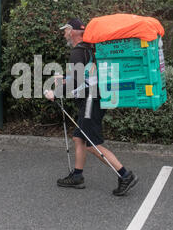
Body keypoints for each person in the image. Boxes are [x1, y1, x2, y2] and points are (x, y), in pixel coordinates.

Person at [45, 18, 138, 196]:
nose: (64, 34)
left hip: (90, 100)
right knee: (78, 138)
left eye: (65, 30)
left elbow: (78, 80)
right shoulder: (90, 49)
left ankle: (125, 175)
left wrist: (55, 93)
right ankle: (77, 176)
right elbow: (83, 75)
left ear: (73, 32)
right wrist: (65, 78)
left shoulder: (78, 52)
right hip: (94, 98)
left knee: (92, 144)